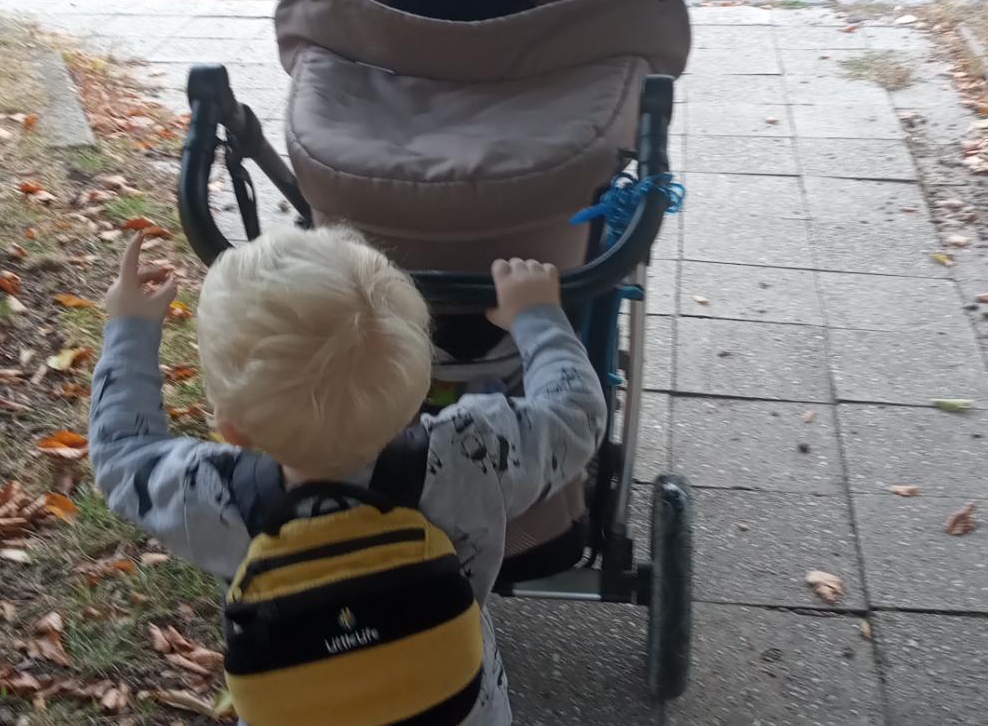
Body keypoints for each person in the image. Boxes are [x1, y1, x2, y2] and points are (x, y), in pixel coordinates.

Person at [88, 227, 607, 724]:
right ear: (418, 388)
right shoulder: (469, 453)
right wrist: (537, 314)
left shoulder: (209, 494)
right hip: (457, 707)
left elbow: (121, 451)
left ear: (231, 429)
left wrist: (130, 328)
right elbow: (576, 413)